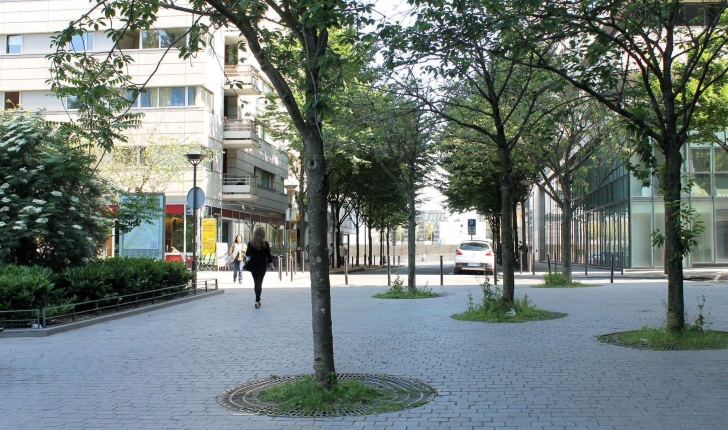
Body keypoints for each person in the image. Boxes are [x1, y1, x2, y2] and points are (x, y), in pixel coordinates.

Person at [246, 227, 273, 309]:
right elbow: (269, 256)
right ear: (263, 234)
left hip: (253, 265)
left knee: (255, 282)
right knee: (259, 283)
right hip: (262, 266)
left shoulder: (251, 243)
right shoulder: (265, 244)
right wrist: (271, 265)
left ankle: (257, 299)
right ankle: (257, 300)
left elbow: (247, 254)